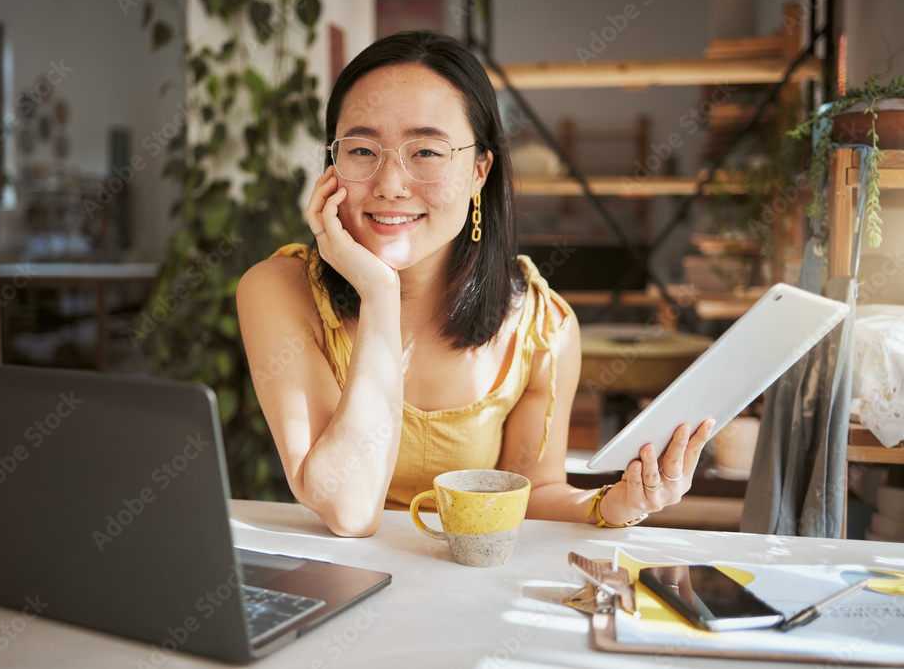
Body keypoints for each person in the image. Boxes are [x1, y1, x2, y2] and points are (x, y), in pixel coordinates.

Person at [236, 29, 713, 537]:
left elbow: (533, 491)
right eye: (361, 150)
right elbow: (349, 511)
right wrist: (379, 295)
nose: (390, 185)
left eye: (426, 152)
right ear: (332, 165)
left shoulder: (539, 327)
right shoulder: (280, 292)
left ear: (479, 171)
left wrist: (613, 504)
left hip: (470, 595)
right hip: (338, 593)